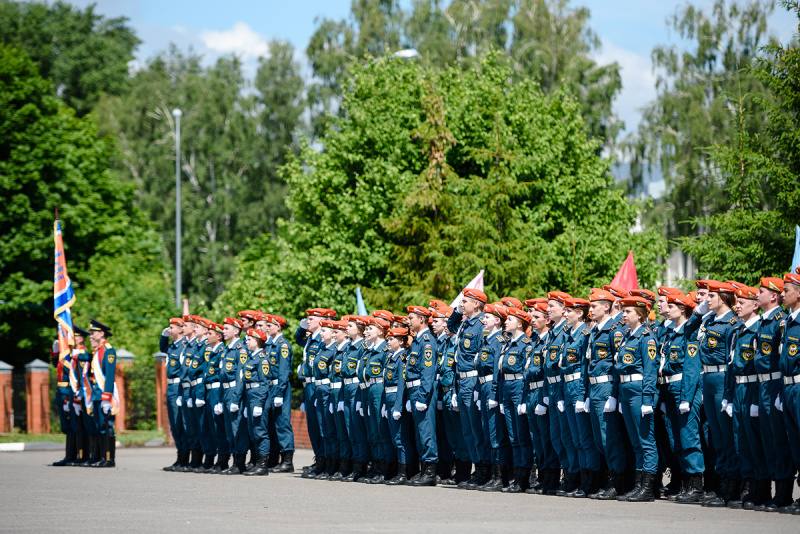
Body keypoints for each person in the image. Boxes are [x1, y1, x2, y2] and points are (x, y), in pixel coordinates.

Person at [690, 281, 742, 507]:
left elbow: (733, 357)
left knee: (726, 433)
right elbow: (688, 331)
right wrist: (698, 313)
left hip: (722, 378)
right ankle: (721, 484)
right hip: (708, 378)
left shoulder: (732, 323)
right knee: (715, 436)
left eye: (711, 296)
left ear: (723, 298)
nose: (706, 300)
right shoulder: (708, 320)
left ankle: (732, 486)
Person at [722, 285, 767, 509]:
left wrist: (758, 398)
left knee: (754, 442)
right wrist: (728, 396)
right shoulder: (737, 330)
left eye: (742, 302)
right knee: (740, 440)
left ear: (755, 305)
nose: (737, 305)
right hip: (738, 389)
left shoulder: (759, 328)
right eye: (736, 301)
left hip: (752, 389)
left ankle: (759, 488)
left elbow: (762, 366)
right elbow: (731, 366)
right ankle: (747, 485)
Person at [659, 292, 705, 504]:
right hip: (669, 390)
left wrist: (686, 397)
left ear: (683, 309)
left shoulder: (690, 333)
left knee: (689, 438)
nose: (668, 308)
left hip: (683, 389)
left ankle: (695, 485)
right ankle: (685, 483)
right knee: (675, 440)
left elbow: (691, 367)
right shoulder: (671, 333)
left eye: (672, 305)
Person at [753, 277, 794, 512]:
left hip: (776, 385)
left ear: (773, 296)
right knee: (767, 441)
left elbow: (780, 360)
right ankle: (769, 490)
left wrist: (778, 391)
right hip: (762, 386)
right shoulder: (764, 321)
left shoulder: (780, 321)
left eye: (761, 292)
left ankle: (784, 492)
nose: (758, 295)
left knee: (779, 441)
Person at [615, 297, 659, 502]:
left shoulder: (646, 337)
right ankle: (639, 484)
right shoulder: (627, 336)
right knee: (635, 442)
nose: (624, 314)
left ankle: (648, 488)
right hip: (626, 390)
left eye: (628, 311)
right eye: (623, 311)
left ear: (640, 314)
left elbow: (650, 370)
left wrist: (648, 399)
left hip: (639, 390)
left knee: (645, 440)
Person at [447, 288, 491, 490]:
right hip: (462, 382)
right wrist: (457, 311)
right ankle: (477, 468)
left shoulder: (482, 325)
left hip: (473, 381)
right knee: (468, 431)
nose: (461, 304)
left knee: (477, 429)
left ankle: (483, 470)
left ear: (477, 304)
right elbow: (451, 325)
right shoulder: (465, 323)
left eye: (465, 301)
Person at [586, 290, 628, 500]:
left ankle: (616, 482)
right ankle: (608, 478)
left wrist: (614, 395)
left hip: (606, 387)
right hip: (594, 388)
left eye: (594, 306)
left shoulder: (614, 330)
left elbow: (618, 365)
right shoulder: (595, 331)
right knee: (598, 438)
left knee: (609, 437)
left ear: (606, 306)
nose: (590, 309)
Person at [559, 297, 602, 497]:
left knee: (585, 438)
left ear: (580, 313)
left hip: (578, 386)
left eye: (569, 311)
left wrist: (582, 394)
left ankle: (590, 481)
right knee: (575, 438)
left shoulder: (584, 334)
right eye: (565, 311)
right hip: (567, 386)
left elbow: (584, 367)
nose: (565, 314)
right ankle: (581, 479)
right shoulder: (569, 335)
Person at [296, 308, 336, 475]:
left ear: (321, 321)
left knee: (322, 424)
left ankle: (325, 461)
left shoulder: (323, 339)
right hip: (309, 384)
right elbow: (298, 338)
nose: (308, 321)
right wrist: (302, 326)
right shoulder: (311, 337)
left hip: (318, 384)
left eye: (311, 318)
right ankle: (319, 458)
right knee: (313, 425)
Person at [499, 306, 535, 493]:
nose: (506, 322)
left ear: (520, 323)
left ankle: (523, 479)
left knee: (522, 436)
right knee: (513, 436)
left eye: (510, 320)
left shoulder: (526, 345)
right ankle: (516, 478)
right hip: (507, 388)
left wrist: (523, 398)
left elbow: (526, 372)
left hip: (519, 388)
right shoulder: (508, 344)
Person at [525, 300, 559, 495]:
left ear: (547, 320)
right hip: (531, 391)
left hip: (542, 391)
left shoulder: (548, 339)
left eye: (537, 317)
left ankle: (551, 478)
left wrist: (544, 396)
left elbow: (547, 372)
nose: (532, 320)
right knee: (537, 438)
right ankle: (543, 477)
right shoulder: (535, 340)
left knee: (547, 438)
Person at [403, 305, 439, 486]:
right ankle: (424, 470)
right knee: (419, 434)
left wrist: (423, 397)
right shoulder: (417, 340)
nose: (408, 321)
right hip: (414, 390)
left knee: (427, 432)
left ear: (422, 319)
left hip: (421, 392)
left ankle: (430, 473)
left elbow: (427, 372)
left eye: (411, 318)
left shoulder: (426, 341)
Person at [544, 291, 575, 496]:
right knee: (557, 437)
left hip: (563, 387)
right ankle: (567, 473)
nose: (548, 309)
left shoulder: (566, 330)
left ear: (564, 309)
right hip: (553, 388)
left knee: (568, 436)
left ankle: (573, 476)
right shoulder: (554, 331)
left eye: (552, 306)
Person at [476, 303, 510, 491]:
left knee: (496, 432)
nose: (484, 320)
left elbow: (497, 369)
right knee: (487, 432)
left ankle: (500, 477)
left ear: (497, 320)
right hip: (483, 385)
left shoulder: (499, 341)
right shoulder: (487, 340)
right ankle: (492, 474)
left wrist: (494, 393)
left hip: (491, 386)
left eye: (487, 317)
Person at [778, 270, 800, 514]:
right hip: (788, 386)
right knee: (794, 443)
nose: (783, 295)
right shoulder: (788, 321)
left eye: (786, 290)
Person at [362, 316, 391, 483]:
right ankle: (376, 466)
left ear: (380, 331)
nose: (366, 331)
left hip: (380, 387)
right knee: (373, 430)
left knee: (381, 430)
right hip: (371, 388)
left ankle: (384, 469)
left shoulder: (385, 350)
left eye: (370, 329)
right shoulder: (371, 349)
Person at [341, 315, 369, 481]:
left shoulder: (362, 347)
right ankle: (352, 465)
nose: (347, 328)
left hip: (356, 387)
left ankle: (360, 467)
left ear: (359, 329)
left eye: (350, 326)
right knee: (350, 428)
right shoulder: (349, 346)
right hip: (346, 387)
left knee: (358, 430)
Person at [266, 314, 295, 473]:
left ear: (279, 327)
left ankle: (287, 460)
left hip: (279, 388)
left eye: (271, 325)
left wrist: (279, 393)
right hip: (270, 388)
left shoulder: (283, 345)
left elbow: (283, 371)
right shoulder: (270, 345)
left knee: (282, 423)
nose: (267, 327)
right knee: (271, 424)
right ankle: (273, 458)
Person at [308, 320, 337, 479]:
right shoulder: (321, 349)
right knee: (322, 429)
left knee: (330, 429)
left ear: (333, 333)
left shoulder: (334, 350)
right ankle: (325, 463)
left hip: (327, 390)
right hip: (319, 390)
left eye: (324, 330)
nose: (321, 333)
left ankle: (332, 465)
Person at [219, 316, 248, 474]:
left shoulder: (240, 349)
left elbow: (241, 376)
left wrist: (236, 398)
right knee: (229, 429)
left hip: (234, 392)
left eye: (226, 328)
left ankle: (239, 463)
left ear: (236, 331)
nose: (223, 331)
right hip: (225, 391)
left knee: (238, 429)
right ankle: (234, 462)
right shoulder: (226, 349)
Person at [160, 317, 189, 471]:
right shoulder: (172, 347)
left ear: (180, 329)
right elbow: (162, 347)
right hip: (171, 387)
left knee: (181, 423)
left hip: (179, 386)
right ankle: (180, 457)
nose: (169, 330)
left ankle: (185, 458)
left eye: (171, 328)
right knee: (174, 425)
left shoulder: (184, 346)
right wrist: (163, 336)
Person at [88, 318, 117, 468]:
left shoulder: (108, 351)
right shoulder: (97, 351)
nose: (91, 335)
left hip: (104, 395)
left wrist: (107, 397)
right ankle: (99, 457)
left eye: (93, 332)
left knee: (106, 426)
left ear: (102, 333)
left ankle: (109, 458)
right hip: (96, 394)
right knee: (99, 425)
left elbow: (110, 376)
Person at [242, 328, 271, 476]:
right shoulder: (252, 357)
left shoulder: (262, 359)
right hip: (250, 395)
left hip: (257, 397)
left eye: (249, 339)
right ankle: (255, 462)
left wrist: (259, 403)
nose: (246, 341)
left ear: (258, 342)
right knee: (253, 432)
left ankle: (263, 465)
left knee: (260, 431)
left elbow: (264, 383)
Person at [385, 326, 412, 485]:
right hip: (389, 397)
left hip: (396, 397)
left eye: (392, 339)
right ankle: (399, 471)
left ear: (401, 341)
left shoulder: (402, 358)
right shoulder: (392, 356)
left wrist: (398, 405)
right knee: (395, 438)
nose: (388, 341)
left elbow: (402, 384)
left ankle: (404, 473)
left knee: (401, 438)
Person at [203, 322, 228, 473]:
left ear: (219, 337)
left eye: (210, 334)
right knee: (212, 427)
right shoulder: (213, 351)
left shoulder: (221, 352)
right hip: (209, 391)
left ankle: (223, 460)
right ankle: (218, 459)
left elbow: (221, 376)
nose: (207, 336)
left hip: (217, 391)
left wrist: (219, 399)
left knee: (219, 428)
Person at [66, 326, 90, 466]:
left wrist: (79, 395)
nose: (73, 339)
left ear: (81, 338)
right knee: (74, 425)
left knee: (82, 426)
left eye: (75, 336)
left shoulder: (82, 354)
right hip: (72, 392)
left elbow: (83, 376)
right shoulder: (72, 354)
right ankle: (73, 455)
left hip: (80, 393)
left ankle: (84, 455)